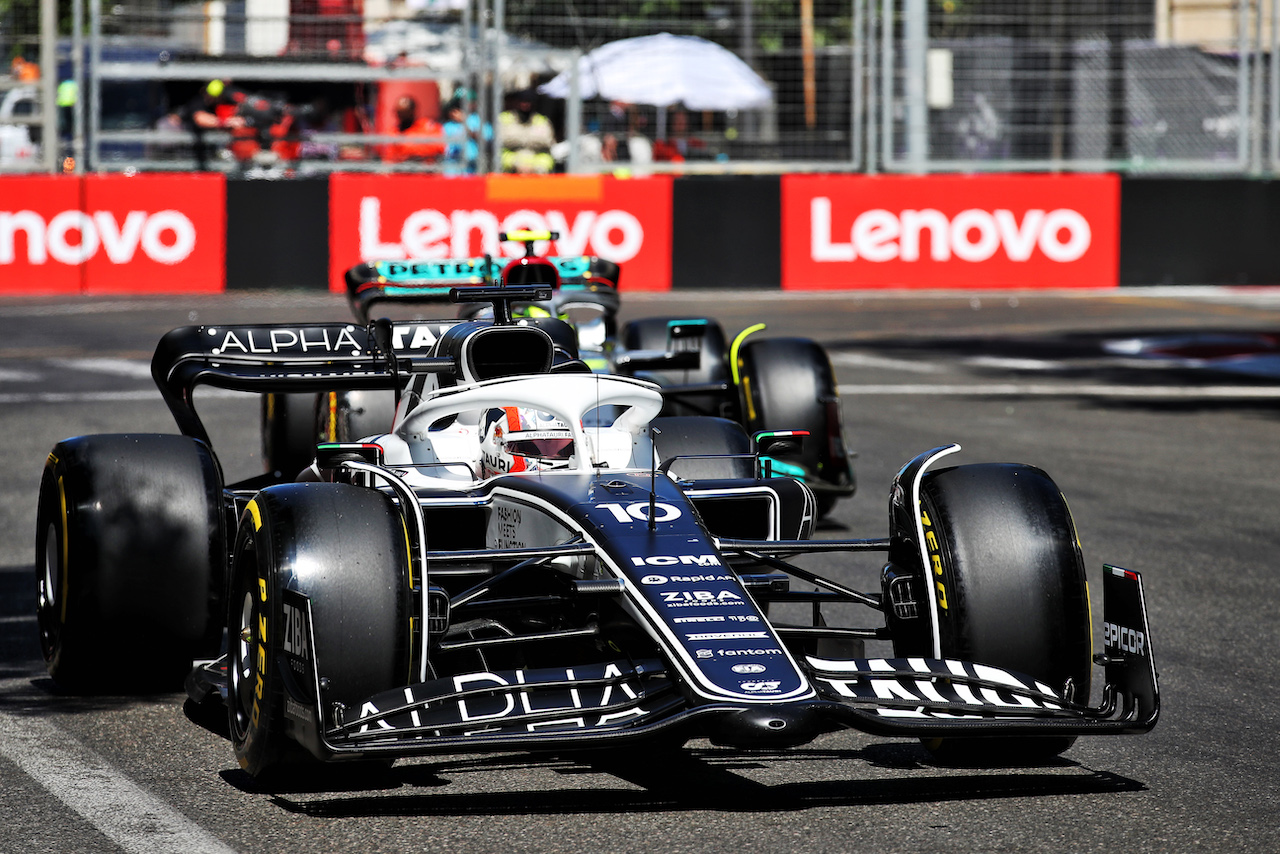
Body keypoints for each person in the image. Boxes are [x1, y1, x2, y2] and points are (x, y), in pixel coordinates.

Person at [498, 90, 555, 174]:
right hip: (513, 157)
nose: (525, 105)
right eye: (522, 102)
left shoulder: (542, 120)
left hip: (536, 158)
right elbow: (502, 140)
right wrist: (529, 139)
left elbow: (548, 141)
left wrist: (519, 139)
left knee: (543, 164)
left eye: (528, 102)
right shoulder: (505, 118)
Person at [441, 93, 491, 175]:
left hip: (473, 167)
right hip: (453, 166)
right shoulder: (448, 125)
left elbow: (486, 138)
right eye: (458, 104)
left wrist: (464, 122)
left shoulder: (478, 120)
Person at [384, 95, 444, 165]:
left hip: (427, 170)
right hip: (403, 170)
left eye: (404, 113)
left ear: (412, 111)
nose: (400, 116)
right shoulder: (393, 131)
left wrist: (413, 152)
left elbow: (440, 147)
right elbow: (390, 158)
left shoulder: (428, 127)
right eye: (398, 113)